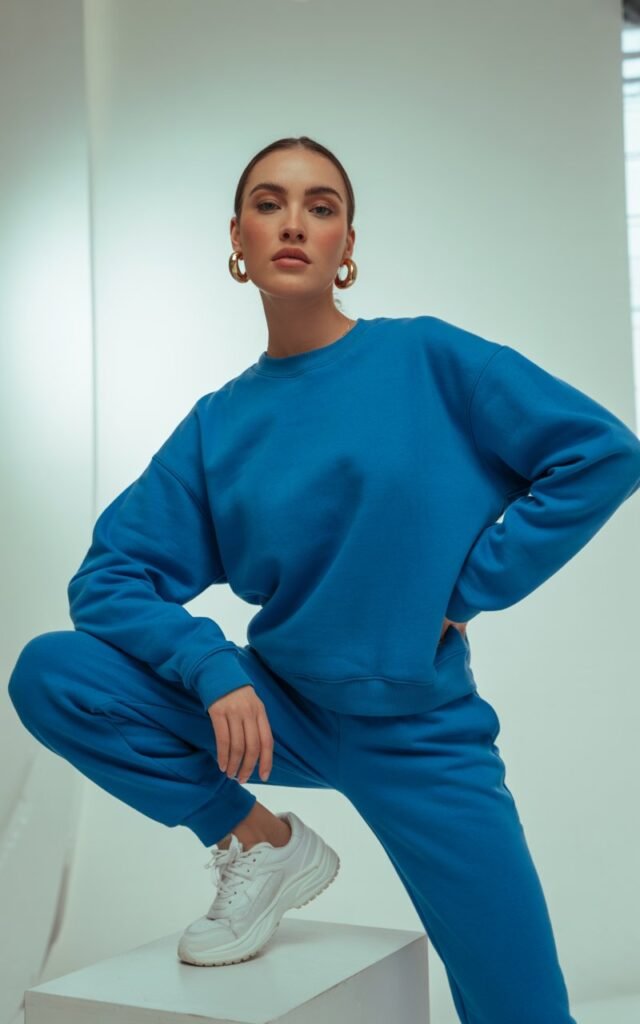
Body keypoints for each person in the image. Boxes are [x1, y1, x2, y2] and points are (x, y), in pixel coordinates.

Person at [8, 135, 640, 1022]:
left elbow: (601, 454)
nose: (294, 223)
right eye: (269, 204)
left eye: (321, 206)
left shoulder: (428, 359)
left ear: (347, 244)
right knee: (53, 672)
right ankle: (257, 842)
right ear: (238, 238)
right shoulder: (219, 426)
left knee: (523, 1011)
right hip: (277, 716)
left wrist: (468, 588)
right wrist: (212, 668)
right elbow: (109, 577)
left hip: (423, 732)